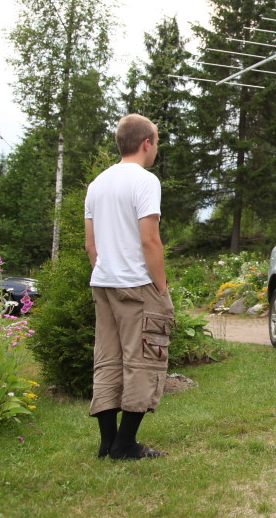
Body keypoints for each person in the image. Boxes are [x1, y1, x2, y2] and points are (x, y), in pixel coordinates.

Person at [84, 113, 174, 460]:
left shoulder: (97, 184)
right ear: (146, 143)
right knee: (143, 360)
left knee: (107, 360)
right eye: (156, 142)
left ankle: (107, 442)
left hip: (103, 283)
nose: (155, 148)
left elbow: (91, 245)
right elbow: (150, 240)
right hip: (136, 285)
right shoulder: (145, 180)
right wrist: (161, 289)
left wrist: (105, 271)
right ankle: (125, 445)